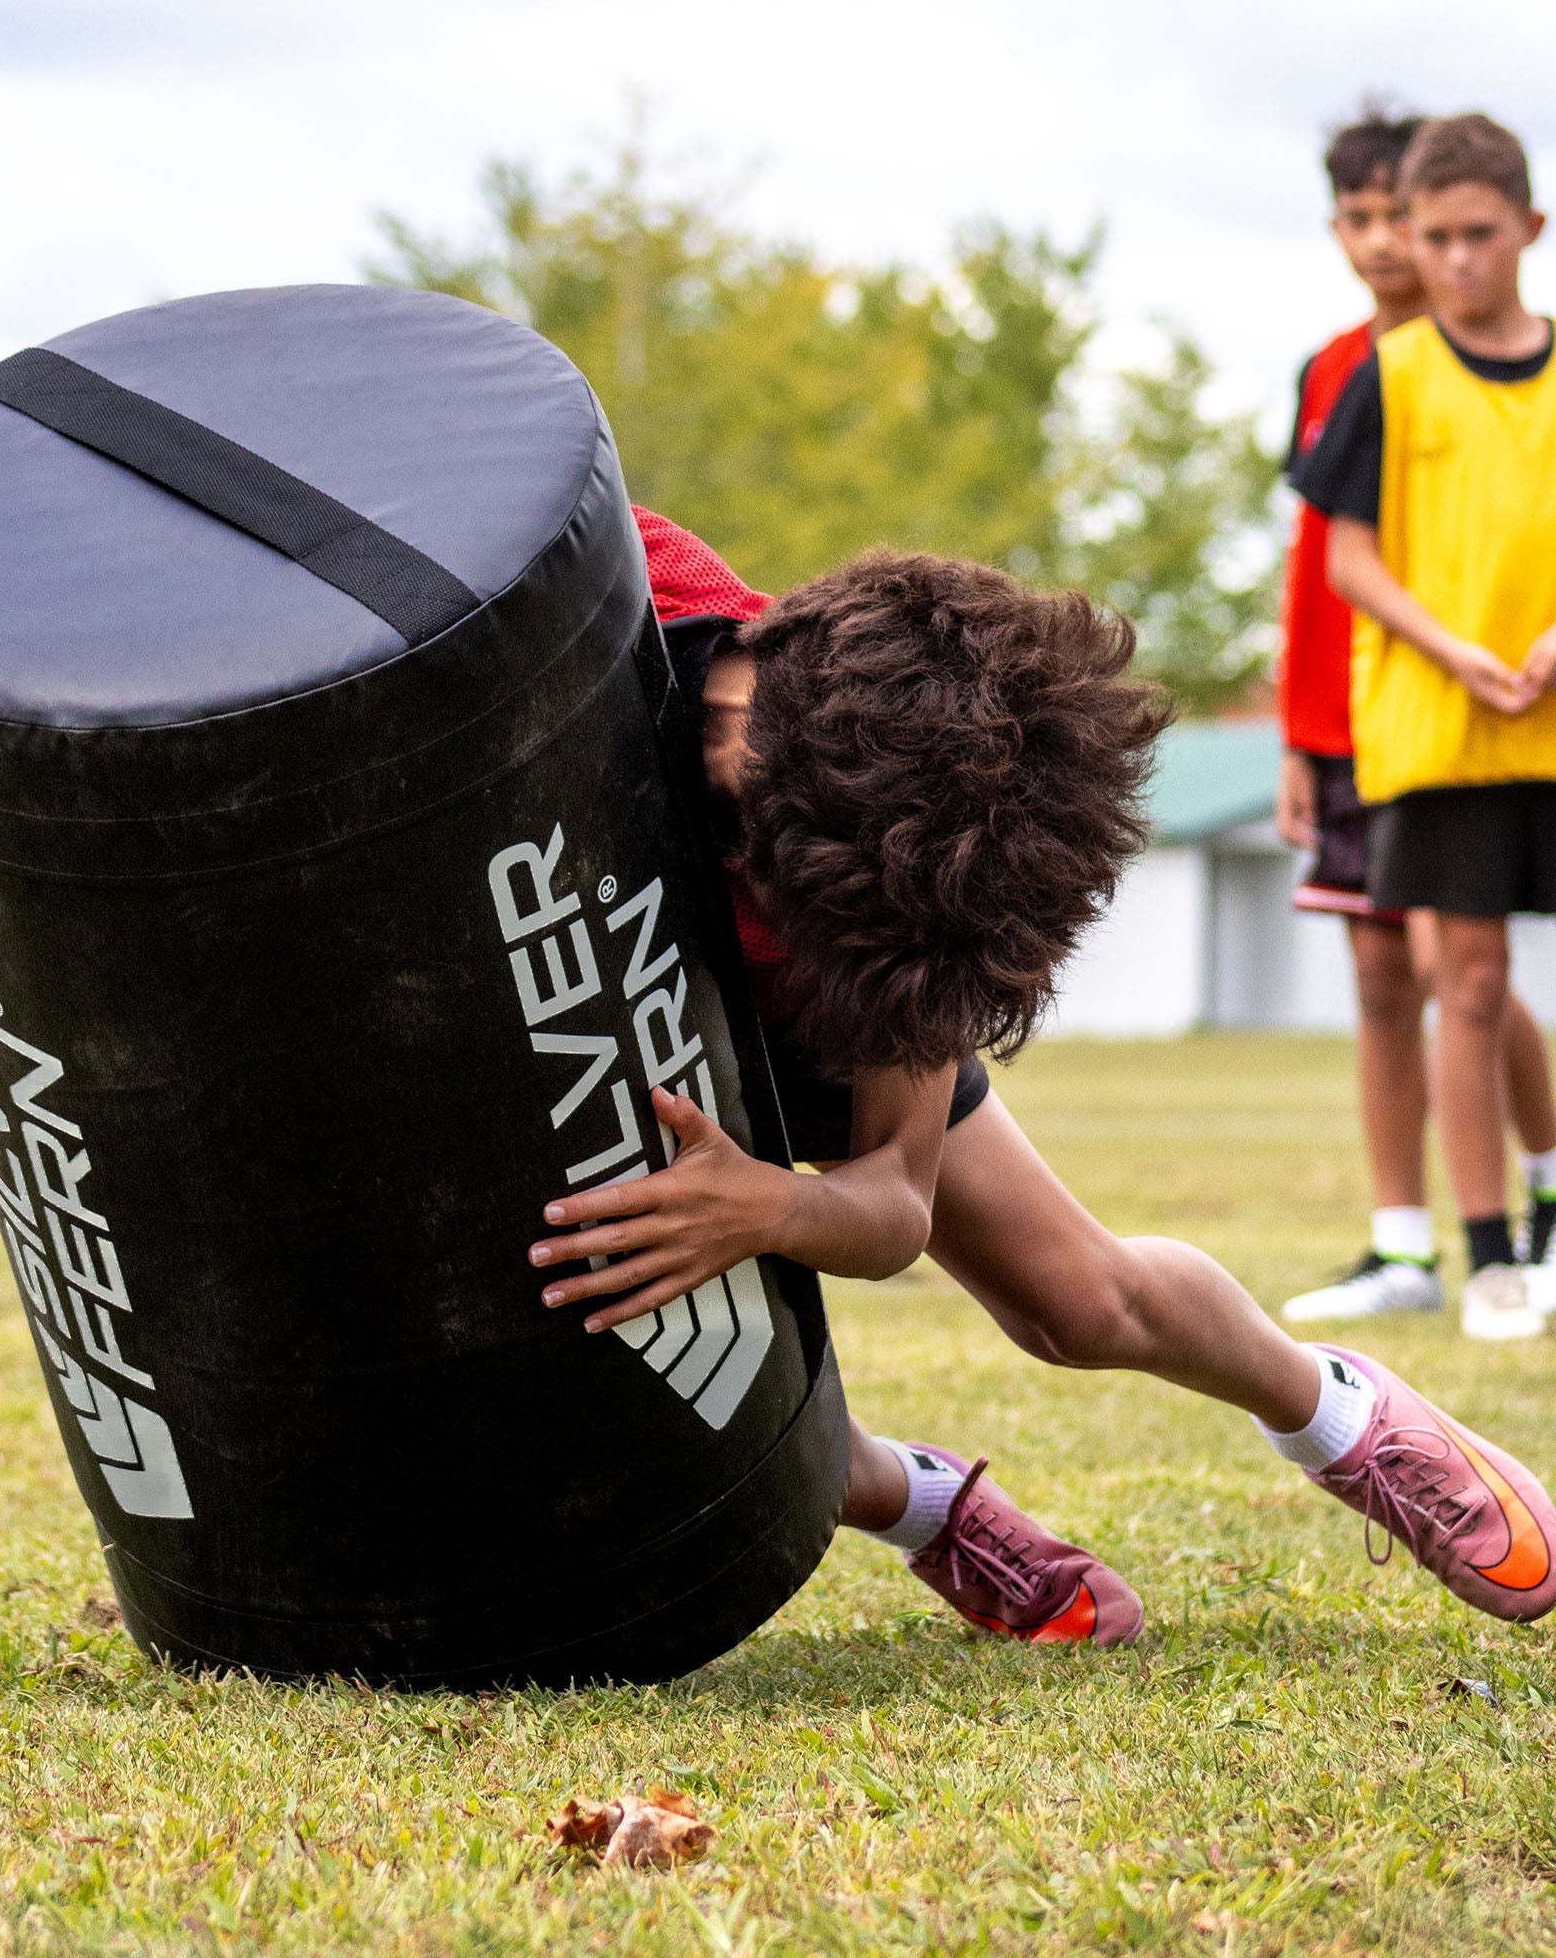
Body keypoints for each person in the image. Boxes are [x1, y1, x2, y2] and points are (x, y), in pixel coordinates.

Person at [527, 507, 1556, 1642]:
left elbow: (891, 1205)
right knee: (605, 1346)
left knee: (1075, 1304)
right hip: (559, 964)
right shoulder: (591, 588)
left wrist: (772, 1204)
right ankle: (906, 1493)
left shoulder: (889, 905)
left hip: (809, 1006)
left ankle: (1336, 1415)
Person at [1278, 108, 1556, 1325]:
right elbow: (1337, 559)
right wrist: (1447, 652)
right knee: (1453, 976)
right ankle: (1474, 1248)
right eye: (1421, 232)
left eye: (1467, 233)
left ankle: (1541, 1211)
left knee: (1466, 977)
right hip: (1427, 735)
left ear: (1526, 230)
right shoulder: (1375, 377)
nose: (1443, 256)